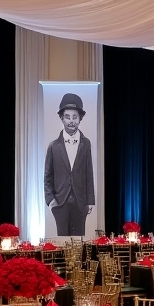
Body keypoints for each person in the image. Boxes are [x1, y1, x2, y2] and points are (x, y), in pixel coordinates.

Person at [44, 92, 95, 237]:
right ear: (62, 118)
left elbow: (88, 172)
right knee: (62, 239)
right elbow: (48, 176)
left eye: (75, 117)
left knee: (79, 240)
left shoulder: (86, 143)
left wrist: (90, 200)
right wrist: (50, 200)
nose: (71, 121)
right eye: (67, 117)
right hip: (60, 201)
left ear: (80, 119)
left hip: (80, 201)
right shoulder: (53, 146)